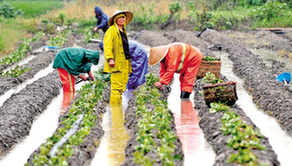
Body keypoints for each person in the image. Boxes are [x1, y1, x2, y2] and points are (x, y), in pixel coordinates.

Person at [52, 47, 99, 112]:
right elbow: (73, 70)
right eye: (91, 60)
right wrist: (83, 77)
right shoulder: (79, 56)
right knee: (69, 85)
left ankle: (68, 102)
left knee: (71, 83)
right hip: (63, 61)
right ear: (90, 57)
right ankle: (67, 106)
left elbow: (88, 69)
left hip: (68, 62)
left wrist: (93, 79)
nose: (90, 62)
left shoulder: (86, 57)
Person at [103, 10, 133, 106]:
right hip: (116, 62)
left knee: (122, 86)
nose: (122, 19)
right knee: (116, 87)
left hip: (124, 62)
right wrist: (110, 58)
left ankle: (118, 106)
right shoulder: (111, 30)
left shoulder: (123, 30)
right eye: (119, 17)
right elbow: (107, 45)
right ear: (115, 20)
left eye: (123, 17)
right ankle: (115, 109)